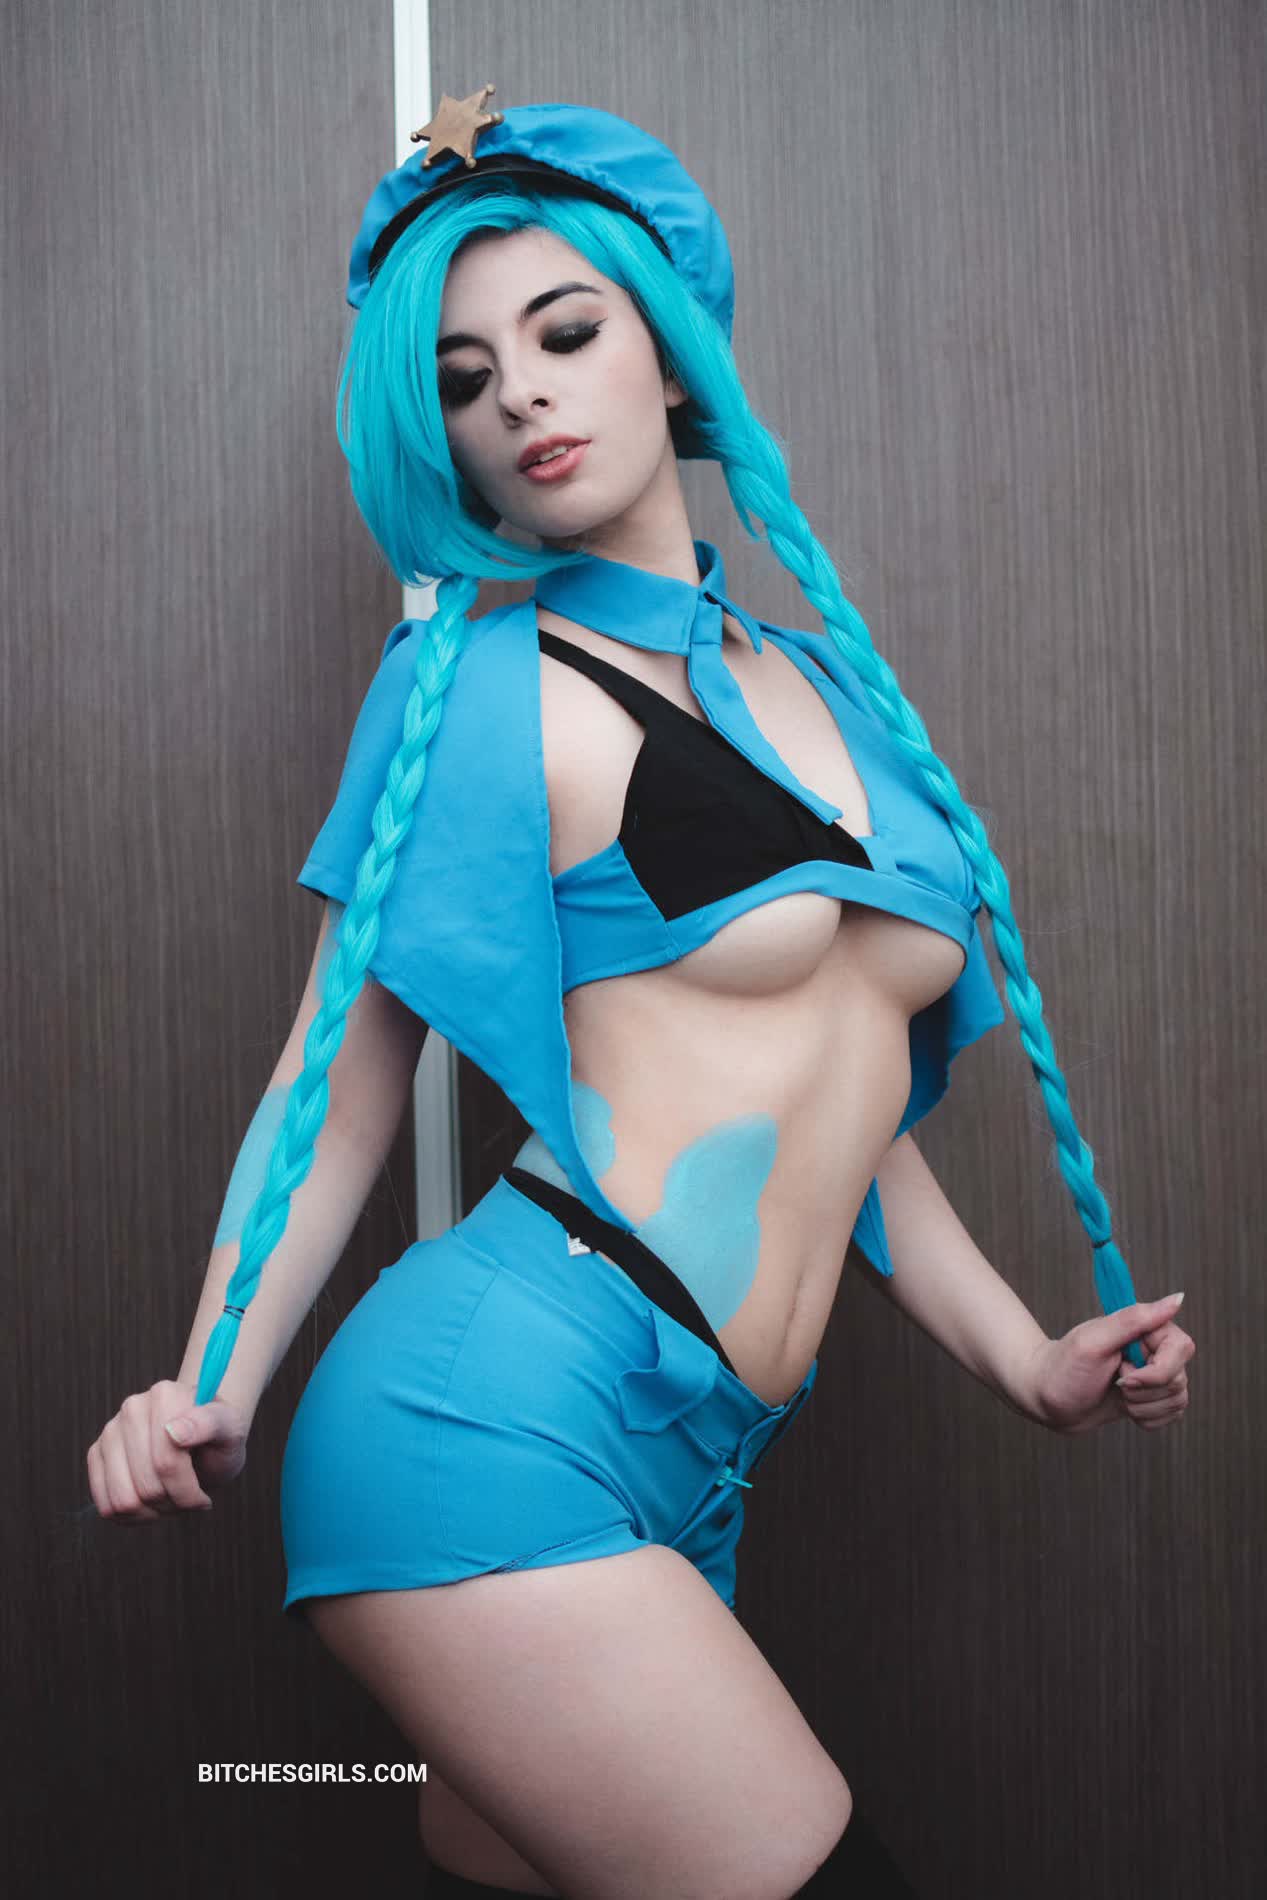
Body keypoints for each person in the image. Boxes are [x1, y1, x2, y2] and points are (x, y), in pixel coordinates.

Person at [86, 91, 1196, 1898]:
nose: (520, 397)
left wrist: (1026, 1363)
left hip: (697, 1465)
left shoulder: (825, 684)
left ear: (669, 351)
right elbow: (334, 1087)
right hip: (490, 1417)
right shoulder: (476, 687)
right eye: (463, 378)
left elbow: (832, 1095)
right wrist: (208, 1376)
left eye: (565, 333)